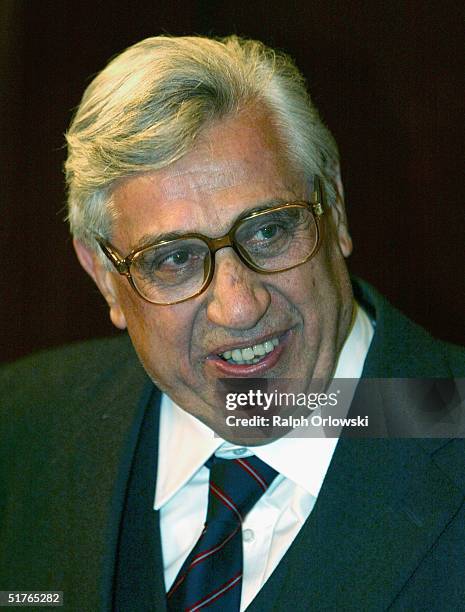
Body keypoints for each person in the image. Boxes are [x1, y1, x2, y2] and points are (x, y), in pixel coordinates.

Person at [1, 35, 464, 611]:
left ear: (335, 205)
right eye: (174, 259)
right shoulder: (18, 427)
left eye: (269, 230)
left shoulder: (450, 420)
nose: (239, 307)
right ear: (102, 275)